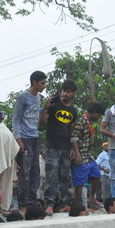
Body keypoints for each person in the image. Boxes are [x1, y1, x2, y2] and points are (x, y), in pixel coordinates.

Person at [41, 79, 78, 214]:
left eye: (68, 92)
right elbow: (42, 121)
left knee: (64, 176)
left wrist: (74, 149)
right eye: (63, 91)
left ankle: (63, 203)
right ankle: (49, 203)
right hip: (52, 146)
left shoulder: (73, 110)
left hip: (65, 147)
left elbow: (72, 131)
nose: (65, 94)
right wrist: (46, 107)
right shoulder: (54, 106)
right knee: (51, 174)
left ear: (73, 94)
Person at [13, 71, 46, 209]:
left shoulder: (38, 98)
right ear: (35, 82)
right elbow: (16, 118)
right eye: (42, 83)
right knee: (25, 173)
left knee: (35, 172)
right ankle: (23, 203)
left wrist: (47, 107)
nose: (44, 86)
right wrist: (18, 140)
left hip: (35, 137)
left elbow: (37, 116)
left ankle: (32, 202)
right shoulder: (23, 97)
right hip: (24, 138)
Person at [71, 102, 105, 208]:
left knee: (97, 174)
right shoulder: (82, 121)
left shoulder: (88, 122)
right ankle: (78, 204)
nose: (98, 118)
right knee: (80, 181)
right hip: (80, 154)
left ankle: (91, 197)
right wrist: (77, 154)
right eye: (98, 116)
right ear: (94, 113)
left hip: (87, 154)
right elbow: (74, 137)